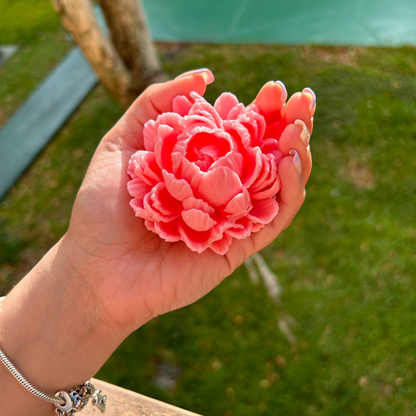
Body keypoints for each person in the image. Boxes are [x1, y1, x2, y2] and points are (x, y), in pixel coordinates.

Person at [0, 69, 312, 415]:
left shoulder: (239, 179)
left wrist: (85, 289)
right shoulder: (163, 182)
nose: (208, 164)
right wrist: (85, 283)